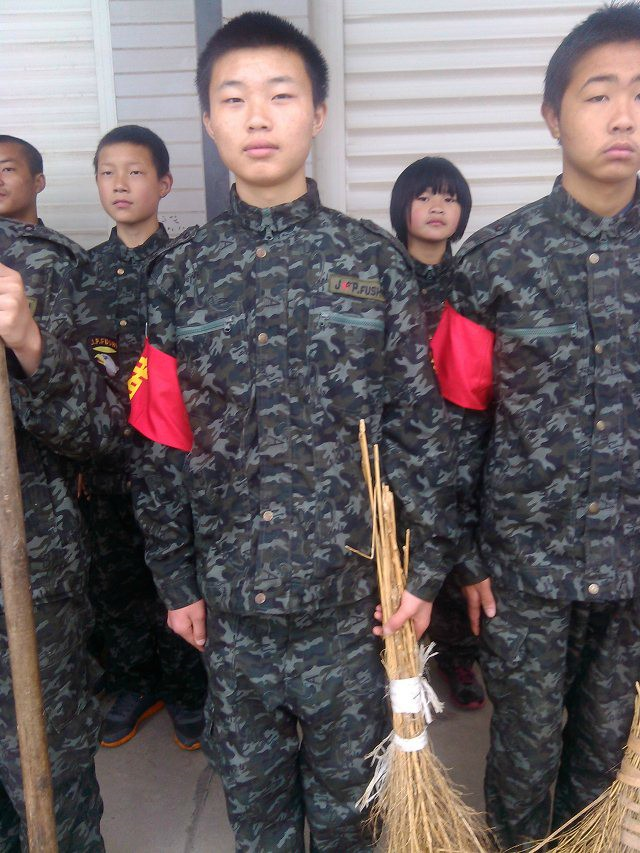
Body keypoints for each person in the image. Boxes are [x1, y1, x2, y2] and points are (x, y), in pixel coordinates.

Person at [129, 12, 457, 851]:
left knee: (353, 820)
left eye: (281, 95)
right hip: (232, 613)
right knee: (259, 820)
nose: (257, 116)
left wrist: (425, 571)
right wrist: (175, 579)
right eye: (233, 98)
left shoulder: (373, 265)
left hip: (354, 610)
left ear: (317, 113)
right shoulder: (180, 276)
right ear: (209, 122)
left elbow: (421, 428)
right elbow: (161, 442)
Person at [431, 3, 640, 846]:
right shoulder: (493, 264)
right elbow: (454, 426)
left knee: (605, 756)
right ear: (553, 115)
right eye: (599, 93)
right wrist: (467, 556)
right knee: (521, 759)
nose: (623, 114)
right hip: (523, 572)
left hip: (632, 568)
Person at [0, 134, 126, 851]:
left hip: (26, 567)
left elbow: (100, 426)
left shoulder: (42, 266)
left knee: (46, 761)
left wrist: (29, 345)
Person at [81, 125, 207, 751]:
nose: (121, 184)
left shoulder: (189, 266)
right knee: (119, 578)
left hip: (175, 459)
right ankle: (135, 684)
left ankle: (186, 688)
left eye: (135, 172)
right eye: (108, 173)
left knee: (179, 575)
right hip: (108, 461)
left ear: (164, 184)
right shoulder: (82, 273)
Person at [390, 156, 486, 711]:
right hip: (399, 443)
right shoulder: (383, 277)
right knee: (402, 551)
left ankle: (460, 656)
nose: (437, 208)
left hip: (463, 432)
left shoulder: (473, 278)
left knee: (459, 543)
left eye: (450, 199)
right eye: (424, 196)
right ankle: (403, 659)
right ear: (402, 206)